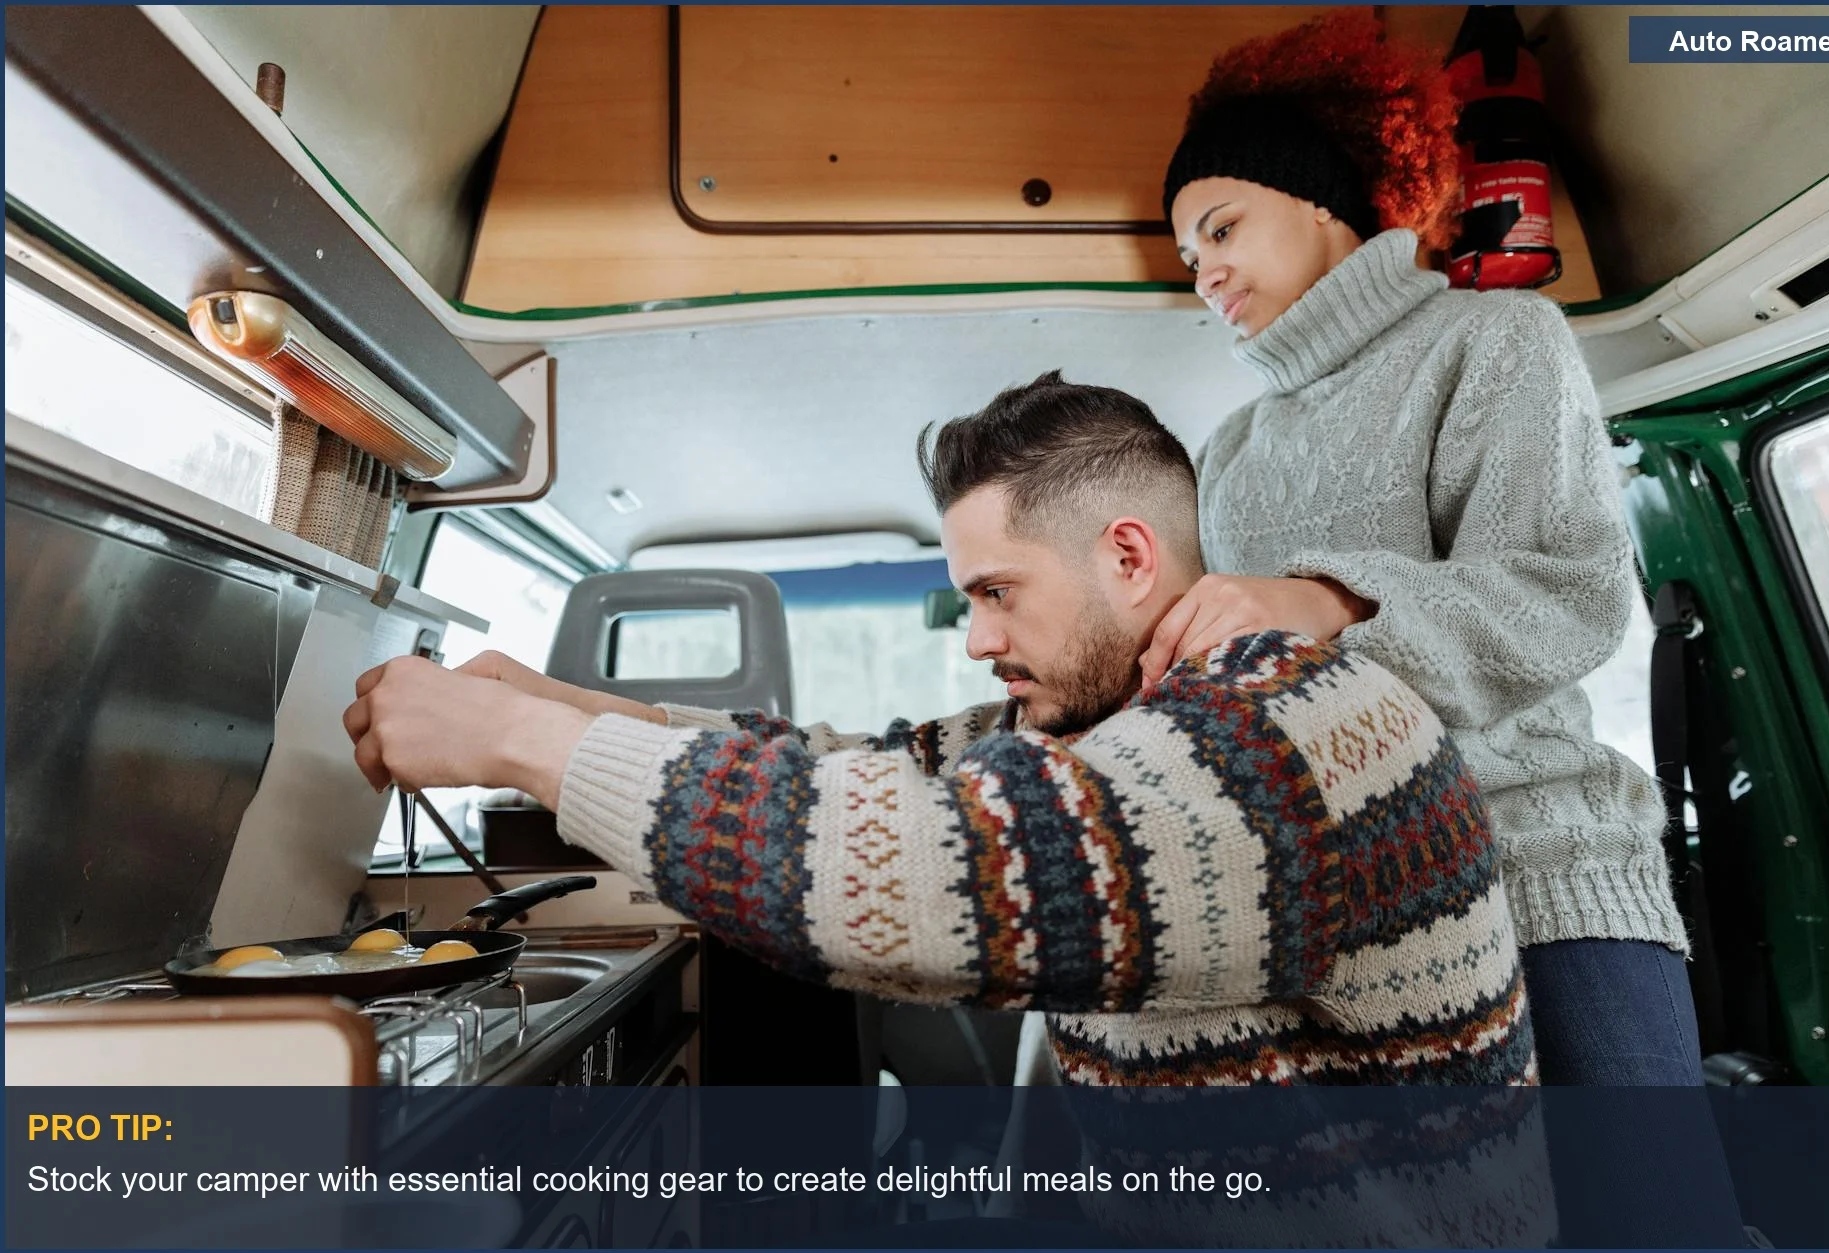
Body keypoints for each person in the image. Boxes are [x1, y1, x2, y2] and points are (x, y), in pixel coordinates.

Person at [345, 372, 1535, 1086]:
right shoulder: (1117, 723)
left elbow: (911, 868)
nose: (975, 640)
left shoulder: (1285, 730)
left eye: (994, 593)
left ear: (1126, 555)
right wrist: (554, 703)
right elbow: (843, 771)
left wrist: (511, 741)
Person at [1139, 12, 1696, 1085]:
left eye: (1218, 227)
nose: (1200, 271)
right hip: (1338, 916)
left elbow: (1566, 593)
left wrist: (1330, 602)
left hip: (1538, 872)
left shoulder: (1491, 340)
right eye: (1184, 253)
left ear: (1318, 203)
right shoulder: (1229, 449)